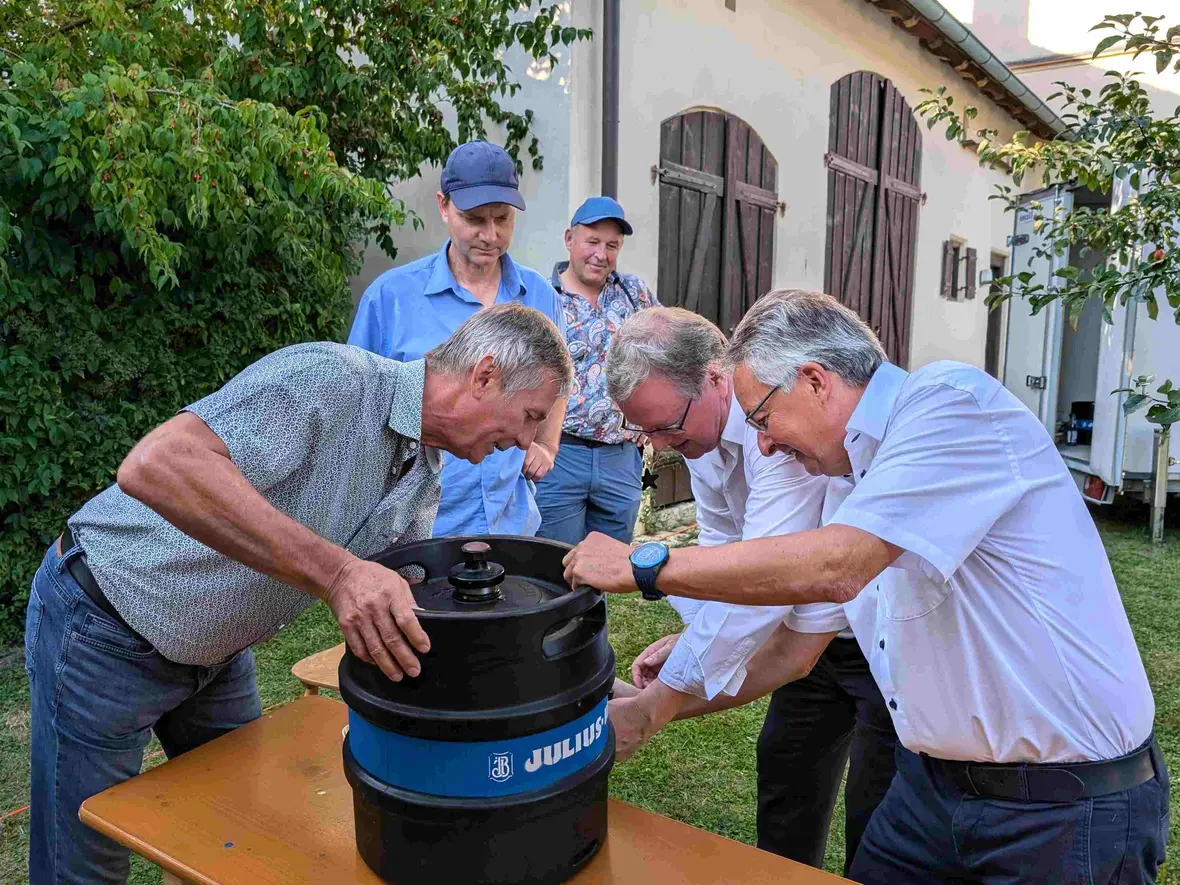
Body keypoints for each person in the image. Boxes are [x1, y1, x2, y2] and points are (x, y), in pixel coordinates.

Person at [565, 290, 1167, 884]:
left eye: (764, 420)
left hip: (1066, 808)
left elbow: (836, 568)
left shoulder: (951, 403)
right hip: (934, 794)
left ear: (815, 381)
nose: (765, 446)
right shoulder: (846, 476)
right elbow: (794, 653)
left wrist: (646, 565)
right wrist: (656, 704)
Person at [24, 304, 572, 885]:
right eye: (530, 416)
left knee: (237, 836)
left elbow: (411, 615)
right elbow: (156, 464)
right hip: (105, 624)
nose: (524, 440)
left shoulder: (424, 477)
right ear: (484, 375)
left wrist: (552, 672)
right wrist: (338, 575)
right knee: (82, 864)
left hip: (218, 649)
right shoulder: (331, 379)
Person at [604, 306, 896, 873]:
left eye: (666, 425)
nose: (659, 443)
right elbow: (721, 553)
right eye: (644, 431)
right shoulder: (705, 440)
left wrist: (653, 702)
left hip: (875, 635)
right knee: (787, 770)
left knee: (878, 805)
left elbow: (763, 587)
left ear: (714, 378)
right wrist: (691, 645)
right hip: (806, 626)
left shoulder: (782, 432)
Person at [349, 140, 565, 537]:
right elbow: (358, 407)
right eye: (474, 219)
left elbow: (559, 384)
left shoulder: (540, 298)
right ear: (443, 206)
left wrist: (546, 445)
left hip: (509, 524)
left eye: (502, 219)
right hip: (415, 529)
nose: (490, 234)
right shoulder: (391, 298)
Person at [533, 197, 658, 545]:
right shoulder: (543, 296)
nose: (601, 254)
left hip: (620, 456)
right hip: (560, 454)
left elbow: (666, 350)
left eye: (612, 246)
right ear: (569, 239)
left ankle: (595, 604)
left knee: (608, 563)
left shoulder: (634, 293)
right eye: (592, 242)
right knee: (554, 562)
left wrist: (652, 421)